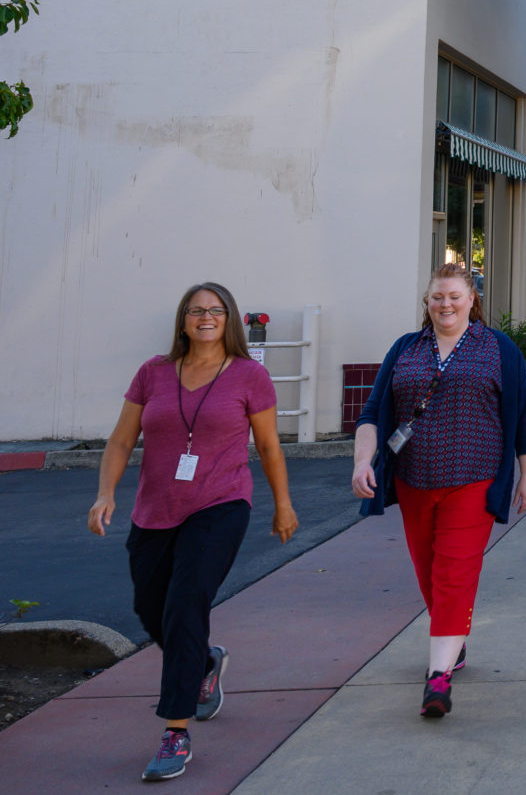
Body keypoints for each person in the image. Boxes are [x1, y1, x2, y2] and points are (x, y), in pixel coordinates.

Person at [88, 282, 298, 783]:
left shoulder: (250, 375)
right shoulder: (153, 373)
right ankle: (203, 662)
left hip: (220, 505)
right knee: (152, 610)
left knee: (185, 606)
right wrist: (105, 493)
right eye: (196, 310)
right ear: (183, 320)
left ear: (229, 319)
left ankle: (175, 732)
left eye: (215, 309)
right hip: (154, 509)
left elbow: (269, 447)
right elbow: (121, 439)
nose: (206, 316)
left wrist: (283, 505)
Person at [351, 262, 526, 720]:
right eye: (438, 297)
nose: (446, 304)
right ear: (427, 302)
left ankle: (438, 679)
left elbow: (522, 415)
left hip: (473, 480)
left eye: (455, 296)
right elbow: (374, 412)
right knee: (429, 573)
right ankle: (453, 641)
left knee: (454, 574)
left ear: (472, 299)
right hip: (414, 481)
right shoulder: (405, 349)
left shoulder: (498, 349)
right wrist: (361, 461)